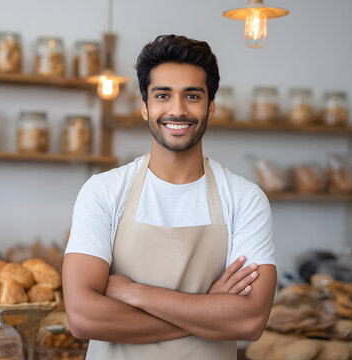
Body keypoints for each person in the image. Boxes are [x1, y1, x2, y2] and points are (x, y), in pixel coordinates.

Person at [62, 34, 277, 360]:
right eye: (163, 95)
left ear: (211, 107)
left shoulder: (245, 199)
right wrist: (207, 308)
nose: (177, 110)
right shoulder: (104, 191)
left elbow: (248, 321)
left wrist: (133, 292)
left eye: (192, 96)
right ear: (145, 108)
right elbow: (83, 317)